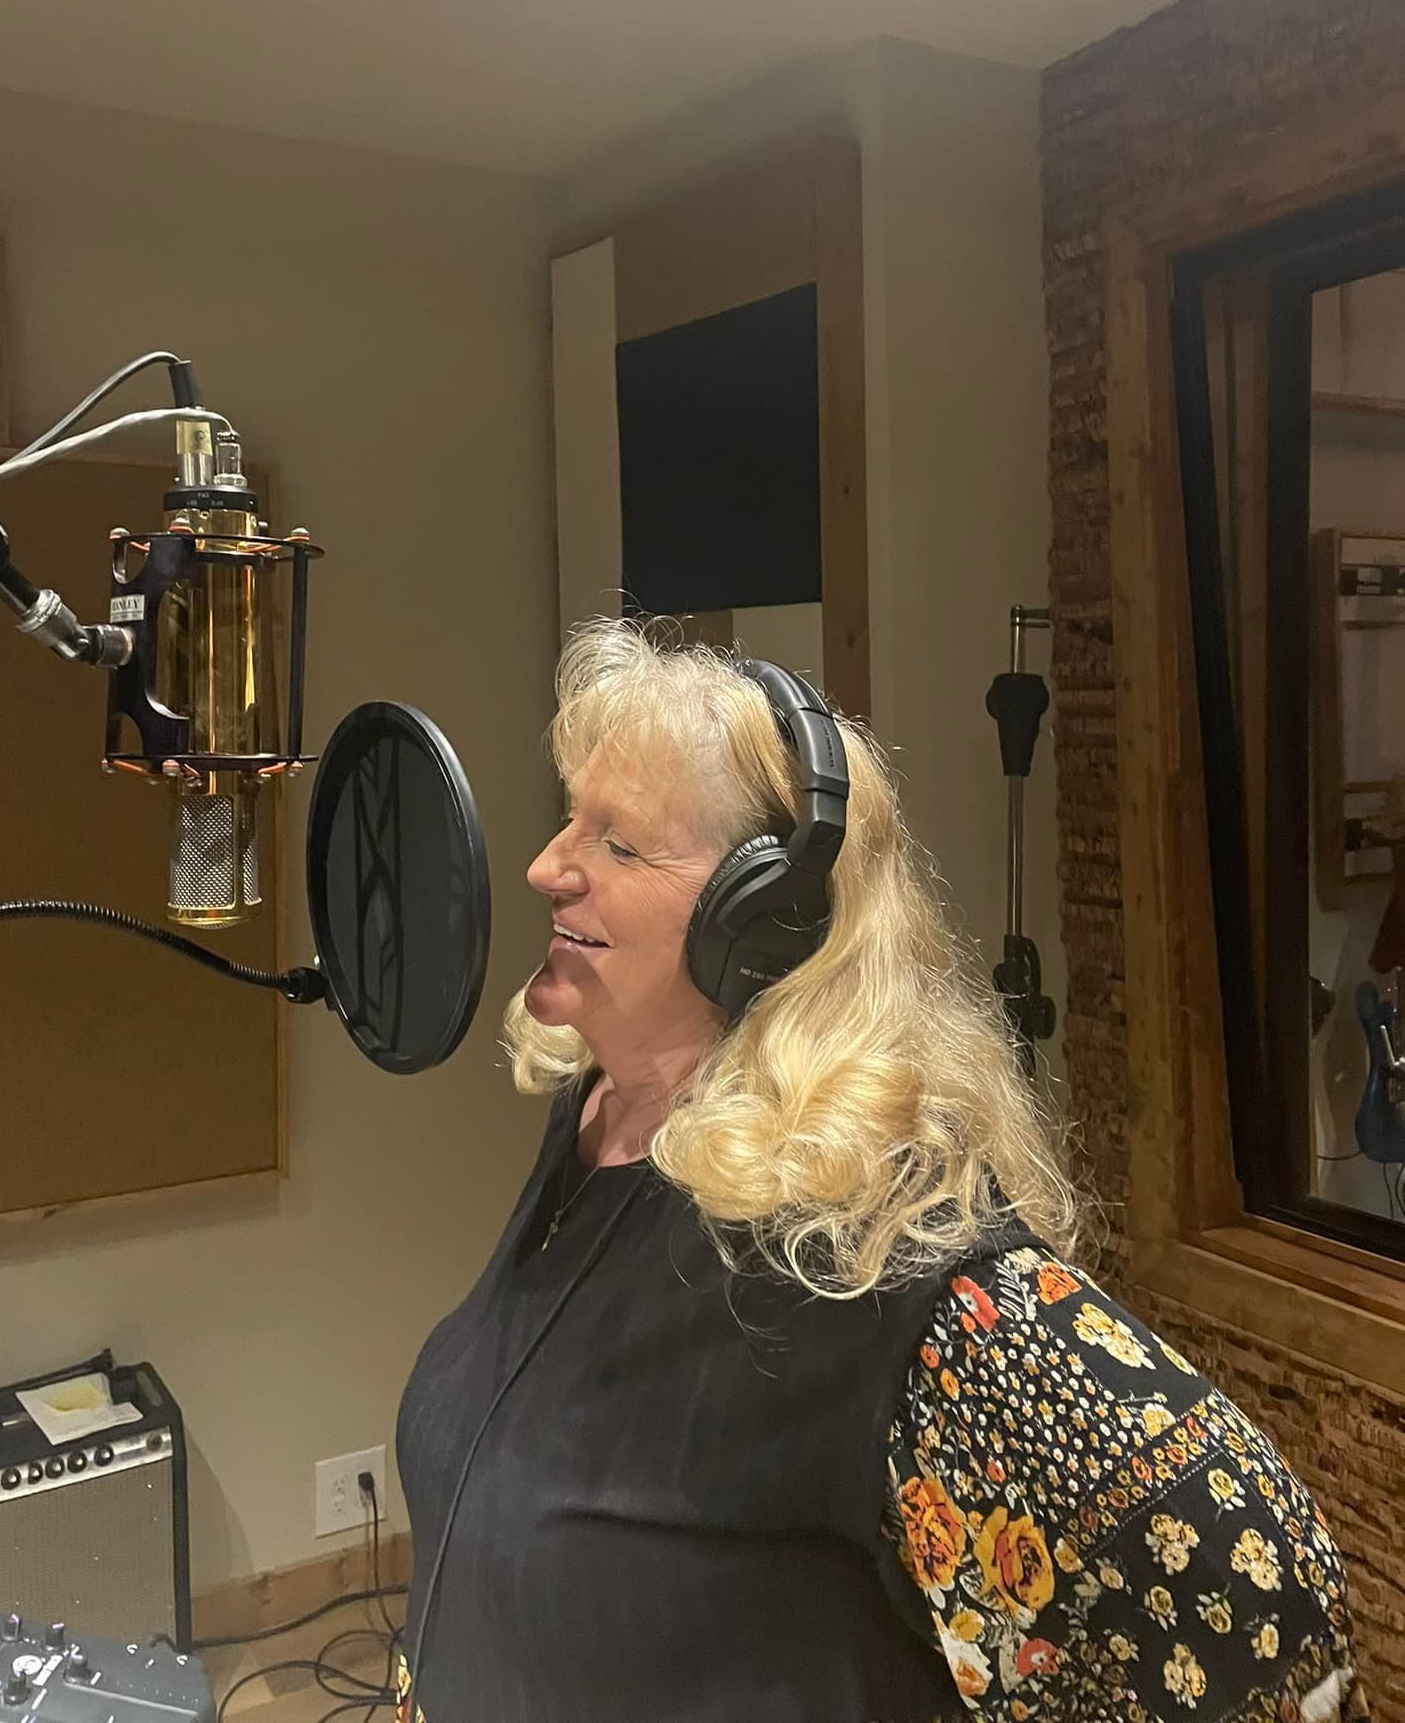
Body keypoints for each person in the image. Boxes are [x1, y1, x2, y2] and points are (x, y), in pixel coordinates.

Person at [395, 620, 1365, 1723]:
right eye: (574, 818)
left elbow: (1253, 1585)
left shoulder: (878, 1255)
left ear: (761, 914)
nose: (545, 865)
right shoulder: (604, 1123)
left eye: (619, 844)